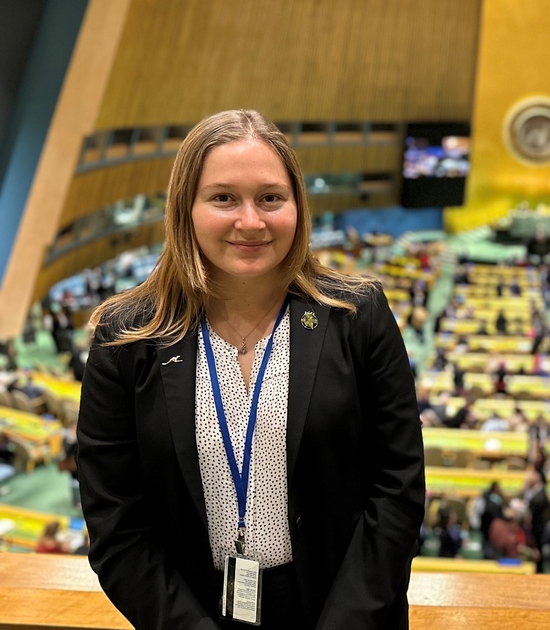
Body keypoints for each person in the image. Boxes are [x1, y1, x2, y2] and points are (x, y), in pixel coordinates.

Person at [77, 110, 425, 630]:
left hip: (345, 609)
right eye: (223, 198)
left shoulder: (358, 316)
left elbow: (397, 490)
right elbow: (116, 524)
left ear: (297, 207)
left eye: (270, 197)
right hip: (190, 611)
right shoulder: (127, 338)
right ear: (185, 209)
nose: (251, 221)